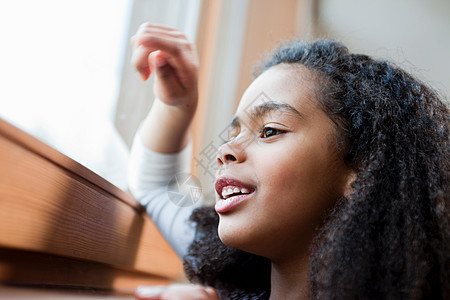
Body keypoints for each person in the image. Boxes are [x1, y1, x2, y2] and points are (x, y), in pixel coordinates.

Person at [127, 23, 450, 299]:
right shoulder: (232, 266)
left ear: (362, 170)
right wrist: (177, 105)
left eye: (269, 130)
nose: (225, 150)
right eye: (234, 131)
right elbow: (158, 186)